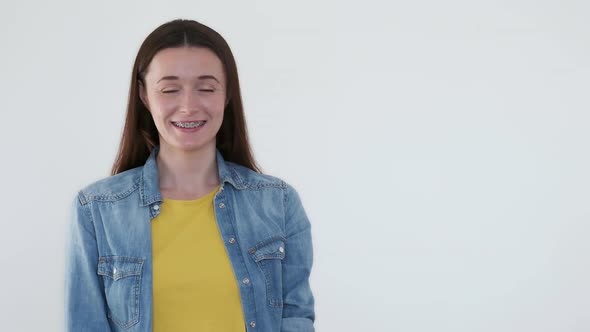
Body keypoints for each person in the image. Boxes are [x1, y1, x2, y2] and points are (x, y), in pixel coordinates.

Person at [64, 19, 315, 332]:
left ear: (227, 94)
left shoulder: (278, 203)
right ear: (144, 94)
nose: (188, 106)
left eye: (206, 88)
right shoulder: (96, 209)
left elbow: (296, 319)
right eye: (169, 89)